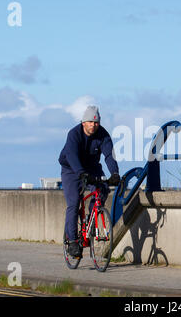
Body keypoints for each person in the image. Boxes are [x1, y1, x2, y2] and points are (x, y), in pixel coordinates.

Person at [58, 105, 120, 257]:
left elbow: (109, 156)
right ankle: (72, 242)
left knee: (103, 189)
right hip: (71, 169)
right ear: (83, 122)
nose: (93, 125)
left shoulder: (103, 135)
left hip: (92, 167)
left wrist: (115, 173)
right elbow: (71, 155)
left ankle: (92, 217)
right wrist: (80, 173)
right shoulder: (74, 134)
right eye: (90, 122)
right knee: (74, 202)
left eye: (96, 122)